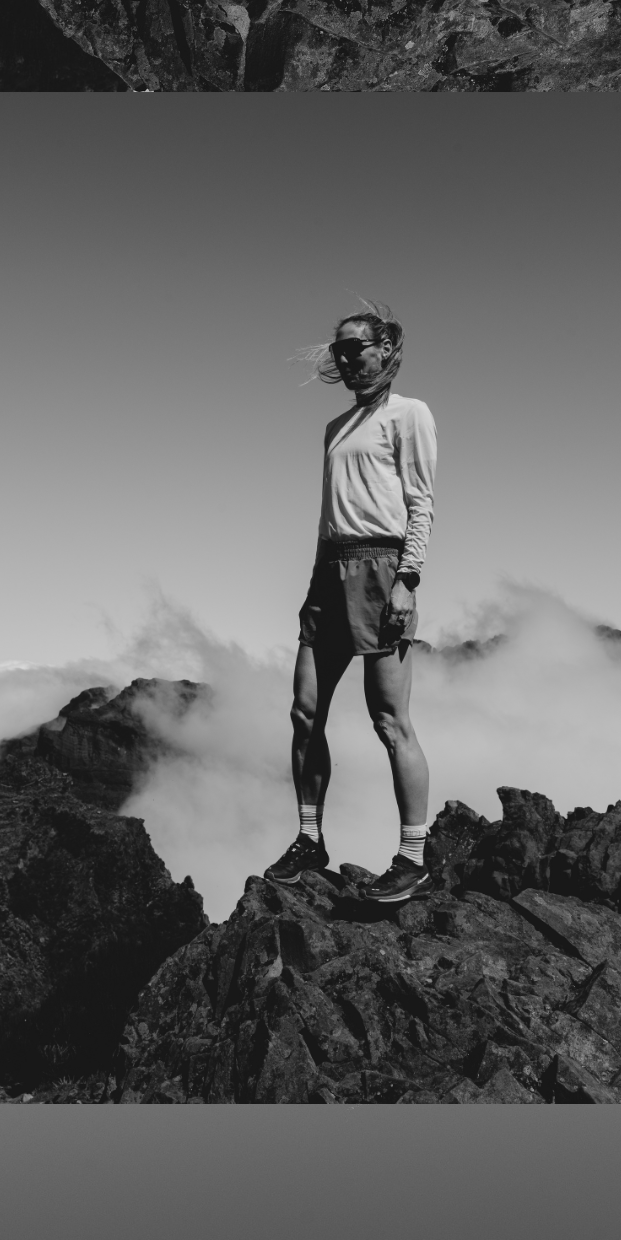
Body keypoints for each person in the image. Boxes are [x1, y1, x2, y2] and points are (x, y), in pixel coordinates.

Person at [264, 302, 438, 903]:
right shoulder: (335, 428)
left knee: (389, 721)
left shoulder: (410, 415)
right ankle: (310, 837)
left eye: (356, 347)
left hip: (383, 567)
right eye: (339, 350)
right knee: (305, 710)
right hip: (328, 570)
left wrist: (407, 580)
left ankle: (414, 855)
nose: (346, 358)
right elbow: (327, 512)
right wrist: (315, 581)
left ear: (386, 347)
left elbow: (421, 502)